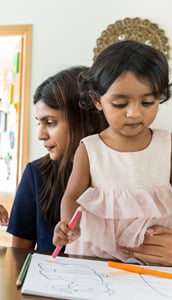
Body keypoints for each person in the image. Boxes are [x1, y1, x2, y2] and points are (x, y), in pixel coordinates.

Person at [53, 40, 172, 262]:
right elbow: (72, 195)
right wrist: (67, 224)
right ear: (97, 100)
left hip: (155, 254)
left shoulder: (167, 144)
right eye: (120, 104)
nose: (134, 113)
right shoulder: (90, 148)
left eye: (147, 102)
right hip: (98, 252)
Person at [6, 66, 107, 251]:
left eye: (50, 123)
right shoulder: (35, 174)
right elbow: (19, 257)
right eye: (39, 122)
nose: (41, 135)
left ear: (85, 119)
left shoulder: (125, 173)